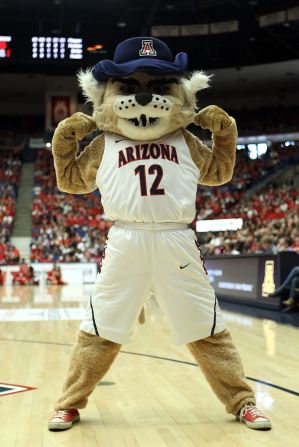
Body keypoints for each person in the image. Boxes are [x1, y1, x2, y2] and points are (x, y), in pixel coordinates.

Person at [48, 36, 271, 432]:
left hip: (176, 241)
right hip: (125, 241)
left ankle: (241, 401)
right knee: (101, 327)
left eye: (159, 87)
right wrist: (65, 139)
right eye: (130, 87)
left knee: (206, 327)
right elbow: (69, 181)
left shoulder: (184, 140)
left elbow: (219, 173)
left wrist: (225, 133)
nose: (146, 97)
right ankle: (69, 403)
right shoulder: (103, 143)